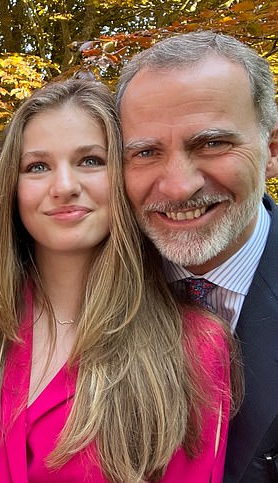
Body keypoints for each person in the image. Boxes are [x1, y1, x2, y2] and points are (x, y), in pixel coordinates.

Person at [0, 79, 234, 482]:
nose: (64, 187)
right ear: (12, 188)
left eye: (91, 161)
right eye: (38, 167)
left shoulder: (195, 347)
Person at [116, 30, 278, 482]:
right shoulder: (85, 286)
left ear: (271, 150)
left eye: (211, 143)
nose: (178, 186)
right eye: (146, 152)